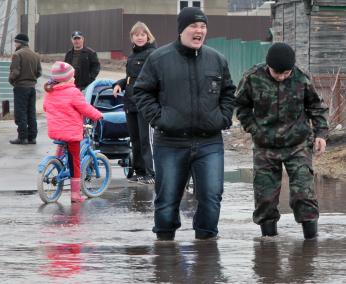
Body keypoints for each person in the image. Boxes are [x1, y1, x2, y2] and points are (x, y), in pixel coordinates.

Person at [134, 7, 236, 241]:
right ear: (182, 30)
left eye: (203, 27)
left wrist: (223, 117)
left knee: (211, 196)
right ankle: (165, 246)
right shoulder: (159, 58)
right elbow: (141, 91)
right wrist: (159, 117)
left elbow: (229, 92)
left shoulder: (216, 59)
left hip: (209, 142)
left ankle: (207, 248)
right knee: (167, 198)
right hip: (170, 141)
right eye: (194, 26)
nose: (199, 31)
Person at [235, 42, 329, 239]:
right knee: (265, 198)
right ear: (268, 66)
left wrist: (320, 133)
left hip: (298, 145)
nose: (282, 77)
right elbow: (241, 107)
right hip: (265, 146)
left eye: (286, 73)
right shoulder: (252, 77)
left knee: (304, 194)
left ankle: (310, 244)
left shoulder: (301, 77)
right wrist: (254, 129)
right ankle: (268, 246)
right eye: (277, 73)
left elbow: (316, 107)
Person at [43, 61, 102, 202]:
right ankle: (75, 195)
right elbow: (85, 108)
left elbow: (45, 107)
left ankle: (57, 163)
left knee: (63, 147)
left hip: (56, 131)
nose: (74, 79)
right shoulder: (73, 92)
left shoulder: (50, 92)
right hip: (71, 133)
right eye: (72, 77)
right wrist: (98, 115)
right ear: (67, 79)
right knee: (75, 161)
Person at [113, 22, 157, 185]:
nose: (139, 37)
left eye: (142, 34)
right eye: (136, 35)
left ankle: (151, 173)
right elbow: (130, 78)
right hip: (130, 102)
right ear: (132, 37)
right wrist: (119, 84)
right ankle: (139, 171)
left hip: (144, 102)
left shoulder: (153, 54)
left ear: (148, 36)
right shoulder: (131, 56)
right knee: (135, 139)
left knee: (146, 140)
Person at [8, 33, 42, 145]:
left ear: (19, 43)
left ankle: (22, 137)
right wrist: (32, 80)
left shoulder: (17, 55)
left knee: (21, 112)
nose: (15, 44)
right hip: (32, 88)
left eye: (15, 42)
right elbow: (39, 72)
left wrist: (11, 80)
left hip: (21, 87)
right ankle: (32, 137)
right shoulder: (35, 55)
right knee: (31, 112)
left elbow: (15, 72)